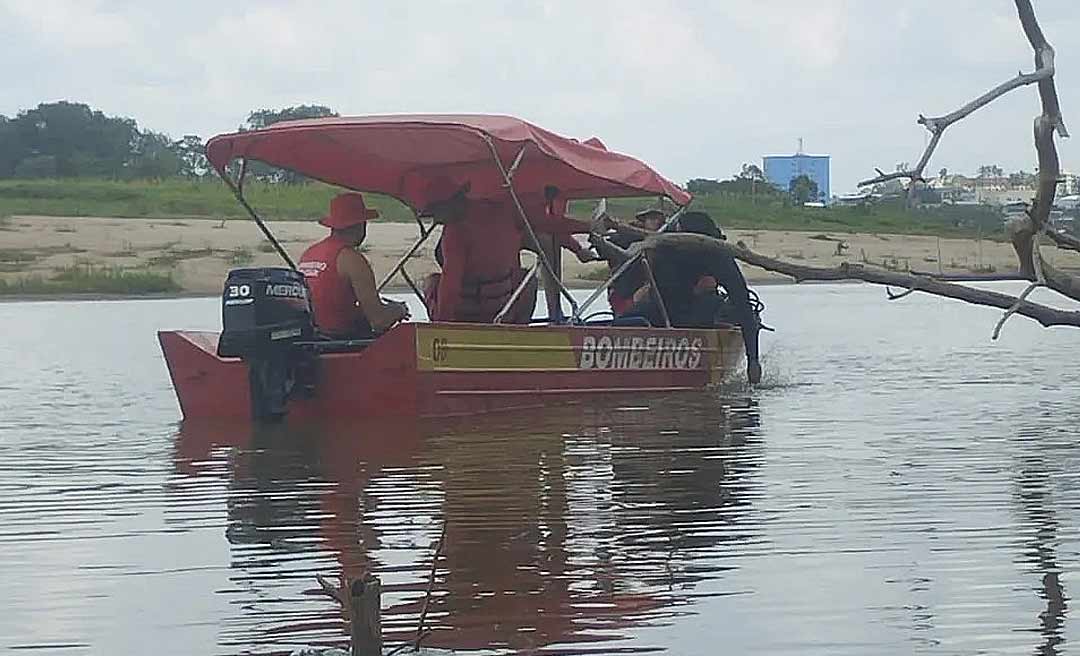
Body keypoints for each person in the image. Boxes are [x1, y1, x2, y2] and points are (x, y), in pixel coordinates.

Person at [623, 211, 762, 384]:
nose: (676, 230)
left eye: (679, 228)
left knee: (713, 306)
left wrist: (753, 360)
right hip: (664, 308)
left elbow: (743, 305)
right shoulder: (667, 245)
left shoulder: (717, 255)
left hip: (697, 313)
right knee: (627, 318)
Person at [297, 193, 409, 338]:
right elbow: (379, 321)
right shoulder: (351, 259)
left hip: (310, 336)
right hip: (340, 340)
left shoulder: (309, 253)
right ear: (360, 225)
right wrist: (399, 309)